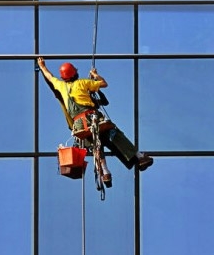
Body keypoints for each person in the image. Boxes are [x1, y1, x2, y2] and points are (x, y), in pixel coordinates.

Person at [37, 57, 154, 188]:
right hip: (91, 118)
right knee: (115, 134)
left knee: (96, 144)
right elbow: (104, 83)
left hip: (79, 125)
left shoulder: (60, 85)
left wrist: (42, 66)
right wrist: (95, 75)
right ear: (75, 73)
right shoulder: (82, 83)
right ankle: (139, 156)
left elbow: (49, 76)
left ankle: (105, 172)